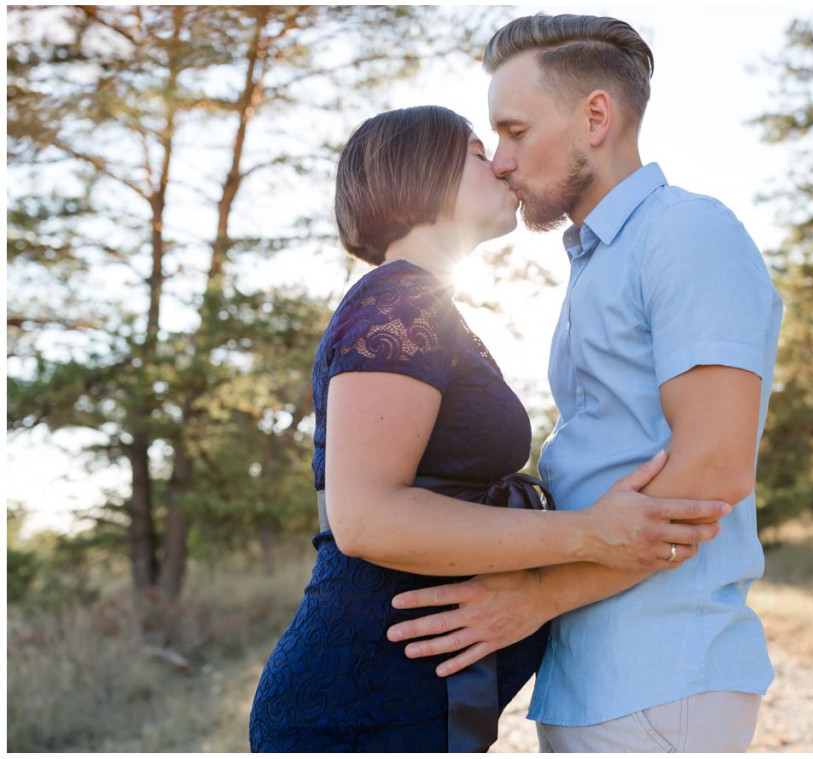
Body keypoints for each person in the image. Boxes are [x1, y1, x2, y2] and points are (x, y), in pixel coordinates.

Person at [247, 105, 731, 752]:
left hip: (405, 706)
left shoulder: (427, 304)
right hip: (355, 714)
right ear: (422, 173)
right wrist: (591, 534)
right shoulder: (396, 301)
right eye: (479, 152)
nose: (502, 163)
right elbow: (364, 517)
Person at [385, 15, 785, 753]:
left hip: (664, 671)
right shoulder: (600, 259)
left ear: (595, 116)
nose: (500, 161)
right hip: (594, 674)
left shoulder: (686, 232)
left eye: (513, 130)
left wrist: (537, 598)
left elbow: (715, 467)